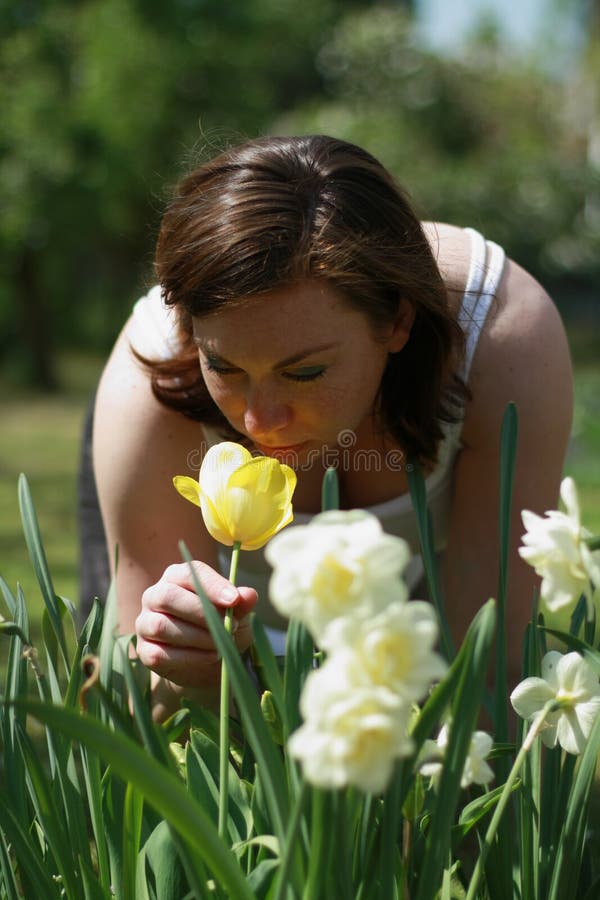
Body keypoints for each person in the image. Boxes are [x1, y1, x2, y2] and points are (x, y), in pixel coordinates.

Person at [92, 134, 573, 719]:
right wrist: (195, 669)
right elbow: (149, 699)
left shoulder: (500, 340)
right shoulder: (155, 379)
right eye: (225, 367)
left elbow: (486, 669)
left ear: (398, 319)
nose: (257, 420)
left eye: (306, 371)